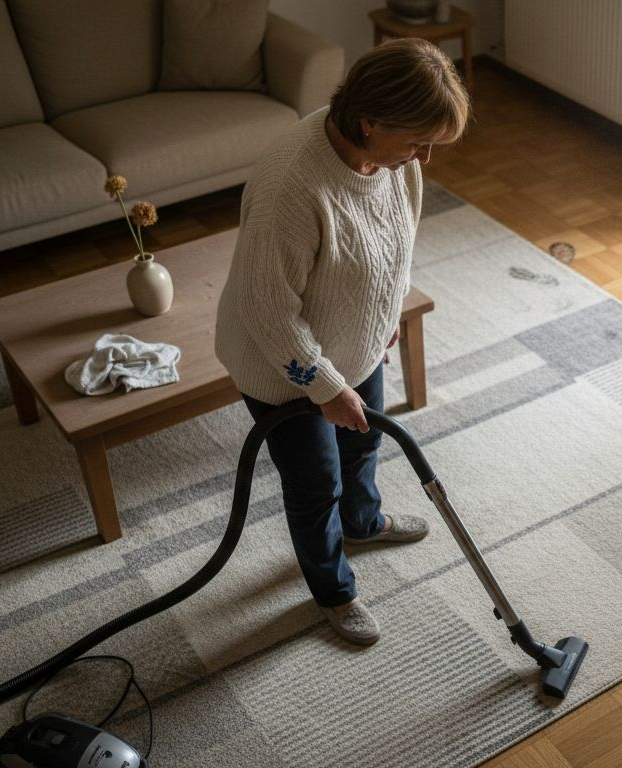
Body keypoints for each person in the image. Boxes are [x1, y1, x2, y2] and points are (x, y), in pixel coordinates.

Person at [215, 39, 469, 646]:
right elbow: (266, 312)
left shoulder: (396, 162)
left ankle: (364, 522)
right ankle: (334, 591)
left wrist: (387, 312)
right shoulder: (291, 186)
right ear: (369, 121)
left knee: (363, 445)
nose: (425, 158)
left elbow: (397, 241)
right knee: (315, 484)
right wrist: (327, 387)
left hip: (355, 342)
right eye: (418, 141)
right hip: (283, 367)